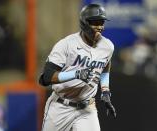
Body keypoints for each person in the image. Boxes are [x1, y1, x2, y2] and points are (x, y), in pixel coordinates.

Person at [39, 3, 116, 131]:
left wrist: (105, 91)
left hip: (87, 108)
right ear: (84, 23)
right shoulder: (66, 44)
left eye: (101, 22)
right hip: (61, 106)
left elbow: (106, 65)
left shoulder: (107, 46)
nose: (100, 27)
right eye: (95, 22)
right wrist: (76, 74)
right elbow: (46, 77)